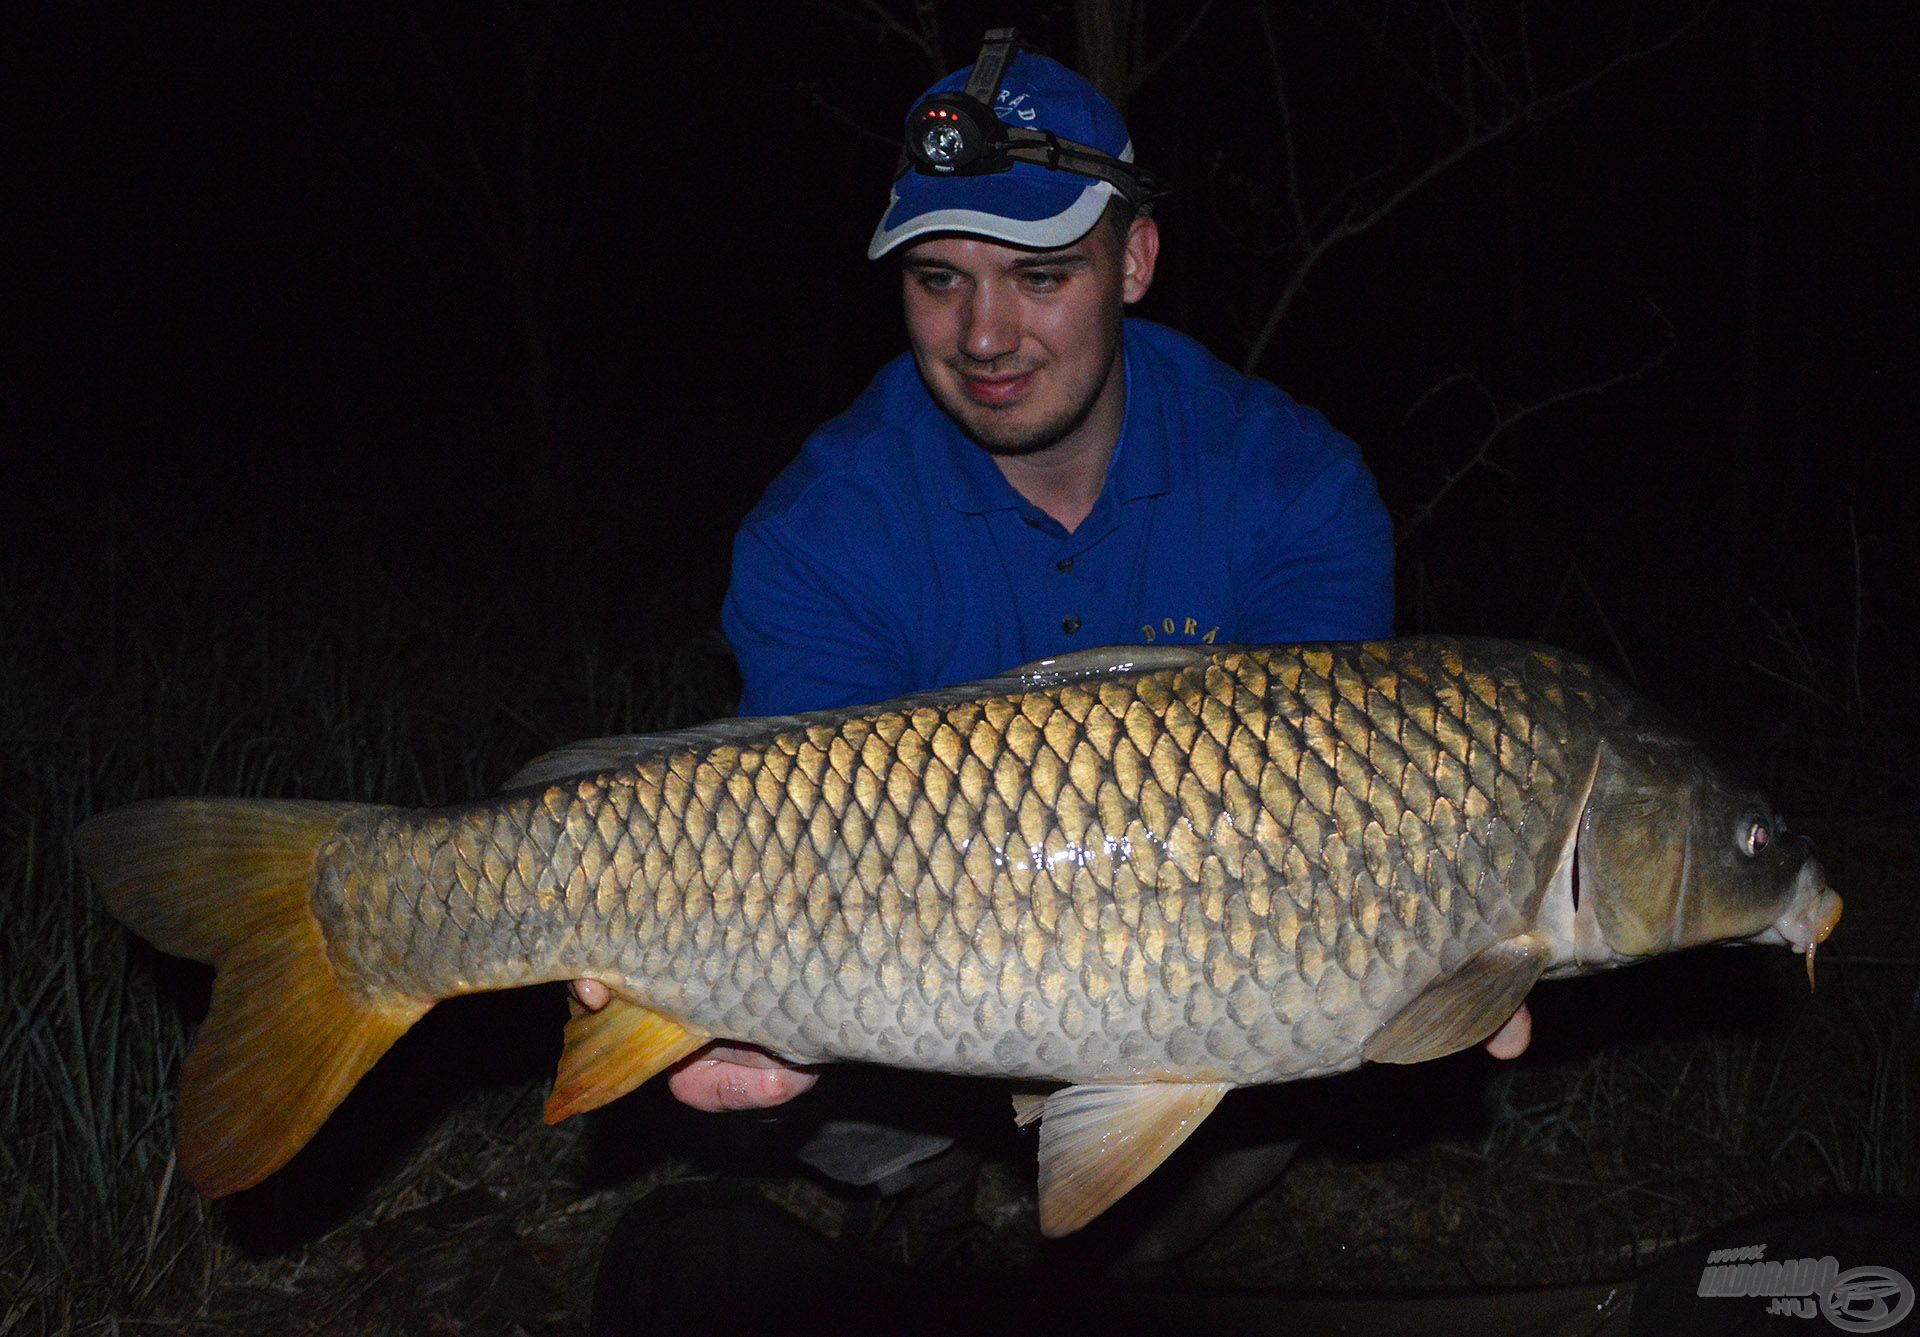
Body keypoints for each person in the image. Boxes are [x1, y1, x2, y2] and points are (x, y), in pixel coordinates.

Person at [575, 33, 1529, 1233]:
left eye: (1038, 276)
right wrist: (726, 1001)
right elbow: (809, 859)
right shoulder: (819, 534)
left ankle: (1112, 1265)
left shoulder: (1292, 485)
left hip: (1206, 943)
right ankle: (919, 1196)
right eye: (938, 279)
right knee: (769, 1038)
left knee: (1314, 1006)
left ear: (1133, 261)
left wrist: (1451, 943)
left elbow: (1324, 819)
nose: (984, 336)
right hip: (919, 970)